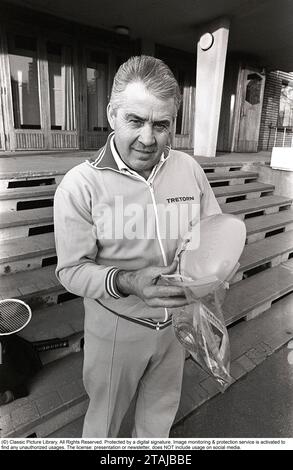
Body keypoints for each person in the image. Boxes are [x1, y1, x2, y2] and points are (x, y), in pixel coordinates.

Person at [54, 55, 221, 438]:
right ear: (113, 115)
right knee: (104, 427)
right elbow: (71, 270)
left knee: (158, 423)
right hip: (116, 330)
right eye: (135, 120)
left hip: (177, 326)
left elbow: (210, 231)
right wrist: (129, 282)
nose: (148, 139)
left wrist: (210, 278)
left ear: (172, 124)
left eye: (161, 125)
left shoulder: (188, 169)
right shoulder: (80, 185)